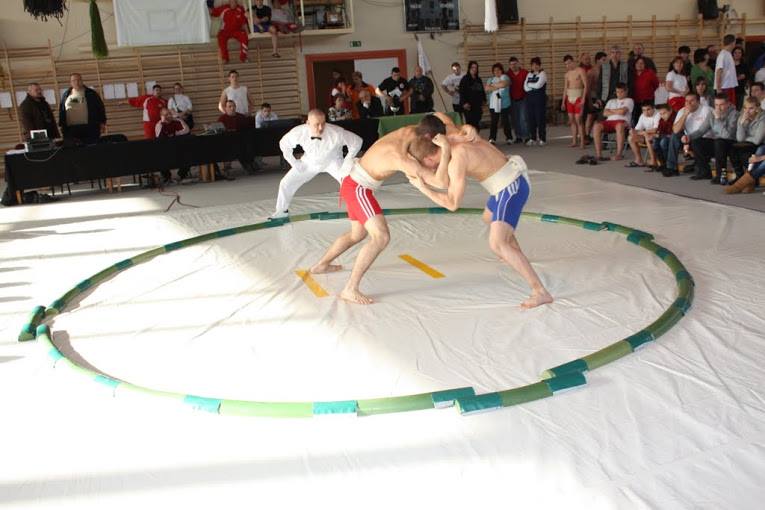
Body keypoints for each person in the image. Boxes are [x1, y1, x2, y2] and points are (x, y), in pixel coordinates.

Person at [307, 113, 474, 304]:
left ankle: (321, 265)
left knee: (357, 234)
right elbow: (441, 182)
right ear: (428, 139)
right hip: (358, 188)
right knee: (381, 237)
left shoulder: (412, 130)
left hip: (352, 181)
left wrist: (461, 132)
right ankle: (350, 288)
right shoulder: (403, 160)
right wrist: (445, 149)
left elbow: (438, 119)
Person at [408, 131, 553, 309]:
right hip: (504, 183)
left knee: (497, 243)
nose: (430, 170)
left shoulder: (456, 160)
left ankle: (540, 291)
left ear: (428, 159)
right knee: (488, 217)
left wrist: (423, 188)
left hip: (510, 186)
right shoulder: (453, 141)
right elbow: (468, 134)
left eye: (425, 166)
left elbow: (452, 204)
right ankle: (514, 253)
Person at [271, 109, 362, 219]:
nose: (320, 128)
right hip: (309, 162)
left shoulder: (336, 132)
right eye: (316, 124)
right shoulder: (299, 132)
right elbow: (284, 145)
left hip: (333, 161)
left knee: (350, 182)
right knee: (286, 183)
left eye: (323, 124)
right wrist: (295, 163)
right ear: (308, 123)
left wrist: (347, 161)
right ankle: (281, 211)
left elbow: (357, 141)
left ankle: (359, 208)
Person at [661, 92, 712, 177]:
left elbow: (703, 131)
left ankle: (699, 166)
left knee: (696, 141)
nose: (688, 103)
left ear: (698, 102)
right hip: (689, 139)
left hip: (705, 140)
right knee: (674, 136)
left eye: (692, 101)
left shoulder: (706, 110)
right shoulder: (682, 111)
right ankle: (671, 168)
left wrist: (688, 137)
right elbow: (676, 130)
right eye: (686, 101)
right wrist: (685, 115)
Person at [59, 73, 106, 145]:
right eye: (74, 80)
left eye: (78, 80)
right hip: (71, 129)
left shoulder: (91, 93)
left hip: (89, 127)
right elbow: (61, 110)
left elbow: (100, 108)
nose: (76, 82)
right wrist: (61, 125)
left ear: (82, 81)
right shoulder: (66, 94)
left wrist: (102, 122)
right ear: (70, 82)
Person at [217, 99, 255, 177]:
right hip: (227, 142)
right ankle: (227, 168)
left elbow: (249, 128)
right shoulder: (222, 119)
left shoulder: (241, 117)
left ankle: (248, 165)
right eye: (230, 106)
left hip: (241, 141)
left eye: (233, 106)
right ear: (226, 108)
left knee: (245, 146)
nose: (232, 108)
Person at [707, 93, 738, 184]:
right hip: (718, 141)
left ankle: (720, 175)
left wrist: (717, 119)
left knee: (719, 142)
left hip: (732, 141)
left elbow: (727, 135)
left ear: (728, 104)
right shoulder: (713, 113)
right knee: (697, 141)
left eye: (721, 105)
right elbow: (702, 129)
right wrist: (689, 137)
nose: (718, 108)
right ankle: (702, 171)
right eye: (716, 105)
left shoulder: (735, 114)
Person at [154, 107, 190, 184]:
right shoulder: (159, 124)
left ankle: (181, 175)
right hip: (165, 149)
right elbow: (159, 137)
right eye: (166, 114)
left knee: (189, 154)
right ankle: (167, 177)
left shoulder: (177, 121)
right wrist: (163, 123)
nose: (169, 116)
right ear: (162, 116)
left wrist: (176, 133)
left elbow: (187, 130)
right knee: (159, 157)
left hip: (179, 147)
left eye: (170, 113)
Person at [732, 96, 765, 179]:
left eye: (751, 108)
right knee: (734, 149)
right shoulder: (743, 117)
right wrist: (741, 124)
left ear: (757, 108)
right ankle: (741, 176)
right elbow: (739, 139)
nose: (747, 111)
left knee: (752, 152)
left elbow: (757, 140)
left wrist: (747, 138)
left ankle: (750, 178)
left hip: (761, 143)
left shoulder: (763, 118)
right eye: (745, 108)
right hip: (749, 144)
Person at [562, 54, 588, 149]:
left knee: (579, 120)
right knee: (572, 120)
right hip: (569, 97)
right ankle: (574, 141)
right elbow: (565, 88)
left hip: (578, 97)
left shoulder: (580, 71)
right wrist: (563, 101)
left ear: (573, 61)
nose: (568, 66)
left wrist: (583, 99)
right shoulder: (567, 74)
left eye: (569, 63)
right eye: (566, 64)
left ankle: (582, 142)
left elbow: (585, 86)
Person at [484, 63, 511, 145]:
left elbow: (504, 84)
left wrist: (493, 86)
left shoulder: (505, 77)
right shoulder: (490, 79)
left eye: (498, 70)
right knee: (494, 122)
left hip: (504, 104)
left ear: (501, 70)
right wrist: (498, 85)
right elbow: (487, 89)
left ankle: (509, 138)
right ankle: (492, 138)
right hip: (493, 104)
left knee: (505, 121)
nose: (497, 71)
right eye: (495, 70)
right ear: (493, 72)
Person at [626, 102, 660, 168]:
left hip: (658, 136)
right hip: (647, 136)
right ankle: (639, 160)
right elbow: (637, 130)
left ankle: (653, 161)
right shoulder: (642, 115)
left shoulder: (658, 114)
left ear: (653, 109)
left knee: (648, 137)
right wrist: (633, 131)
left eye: (648, 109)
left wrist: (644, 132)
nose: (646, 112)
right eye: (644, 110)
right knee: (631, 138)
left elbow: (655, 130)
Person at [524, 57, 547, 146]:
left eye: (537, 65)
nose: (535, 66)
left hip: (539, 99)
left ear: (539, 65)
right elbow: (525, 87)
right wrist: (531, 85)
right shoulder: (529, 74)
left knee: (540, 119)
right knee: (531, 119)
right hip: (530, 99)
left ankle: (542, 138)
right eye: (533, 65)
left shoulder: (543, 74)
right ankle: (532, 138)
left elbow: (538, 85)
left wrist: (530, 85)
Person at [585, 51, 607, 143]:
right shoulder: (592, 71)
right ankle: (586, 136)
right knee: (590, 116)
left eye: (606, 60)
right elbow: (588, 87)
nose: (605, 62)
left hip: (602, 96)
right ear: (597, 60)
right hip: (593, 96)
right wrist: (589, 100)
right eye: (603, 60)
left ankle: (600, 136)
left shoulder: (606, 71)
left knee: (602, 117)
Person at [631, 57, 659, 126]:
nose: (639, 65)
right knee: (636, 119)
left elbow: (656, 84)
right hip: (635, 100)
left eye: (641, 63)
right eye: (637, 63)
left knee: (649, 118)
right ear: (635, 64)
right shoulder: (631, 73)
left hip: (648, 100)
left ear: (645, 65)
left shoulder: (650, 73)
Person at [648, 104, 677, 172]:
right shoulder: (662, 120)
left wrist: (660, 135)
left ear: (670, 111)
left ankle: (668, 164)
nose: (662, 115)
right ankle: (662, 164)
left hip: (674, 138)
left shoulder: (674, 118)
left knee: (663, 142)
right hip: (664, 137)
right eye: (660, 114)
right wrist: (655, 135)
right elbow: (660, 131)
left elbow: (672, 133)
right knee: (655, 142)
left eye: (664, 113)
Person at [507, 56, 529, 144]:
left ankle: (527, 136)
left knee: (523, 118)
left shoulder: (524, 72)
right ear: (509, 65)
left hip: (523, 98)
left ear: (518, 63)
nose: (513, 66)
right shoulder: (507, 74)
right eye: (511, 64)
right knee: (515, 119)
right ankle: (519, 136)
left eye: (515, 64)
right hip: (512, 99)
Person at [459, 60, 485, 130]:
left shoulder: (478, 79)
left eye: (476, 68)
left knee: (477, 124)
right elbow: (461, 92)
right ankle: (470, 139)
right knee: (470, 125)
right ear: (469, 68)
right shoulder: (465, 79)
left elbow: (482, 91)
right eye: (472, 67)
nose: (474, 69)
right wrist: (464, 103)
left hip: (477, 105)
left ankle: (476, 139)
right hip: (468, 106)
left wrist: (483, 100)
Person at [715, 34, 738, 105]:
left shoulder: (728, 54)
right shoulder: (723, 55)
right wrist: (719, 89)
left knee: (731, 107)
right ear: (733, 42)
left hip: (729, 86)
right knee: (726, 107)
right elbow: (719, 71)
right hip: (725, 87)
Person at [733, 46, 749, 110]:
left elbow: (748, 75)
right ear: (732, 54)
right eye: (735, 53)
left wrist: (744, 76)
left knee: (739, 108)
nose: (737, 54)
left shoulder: (744, 64)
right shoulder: (729, 64)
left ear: (742, 54)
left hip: (740, 89)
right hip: (731, 89)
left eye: (739, 53)